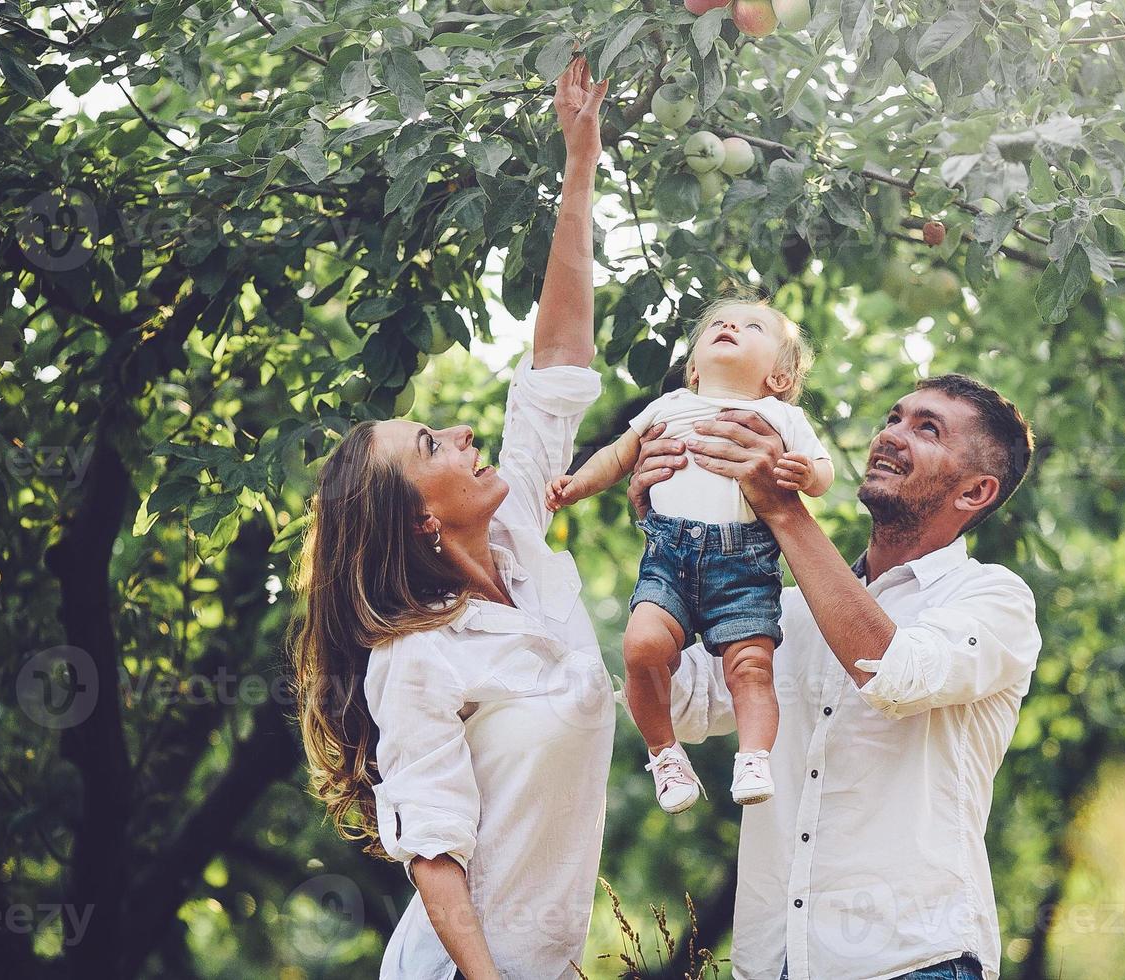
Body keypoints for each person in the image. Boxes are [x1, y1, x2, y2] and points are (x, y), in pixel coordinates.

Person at [289, 58, 612, 980]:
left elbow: (554, 359)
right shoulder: (417, 657)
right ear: (420, 522)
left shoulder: (522, 552)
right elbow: (433, 848)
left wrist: (579, 166)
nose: (465, 433)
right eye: (433, 444)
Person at [626, 374, 1040, 980]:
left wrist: (781, 508)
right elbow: (680, 701)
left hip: (914, 962)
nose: (891, 435)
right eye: (894, 418)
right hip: (773, 964)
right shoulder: (786, 611)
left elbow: (894, 674)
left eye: (927, 429)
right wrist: (671, 539)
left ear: (976, 491)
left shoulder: (995, 599)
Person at [545, 297, 832, 812]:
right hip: (668, 557)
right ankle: (665, 753)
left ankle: (754, 757)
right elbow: (615, 457)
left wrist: (806, 475)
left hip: (743, 567)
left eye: (753, 326)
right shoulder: (667, 407)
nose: (729, 325)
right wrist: (576, 486)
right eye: (719, 324)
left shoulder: (780, 417)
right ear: (694, 368)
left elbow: (822, 470)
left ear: (780, 376)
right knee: (641, 648)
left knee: (751, 668)